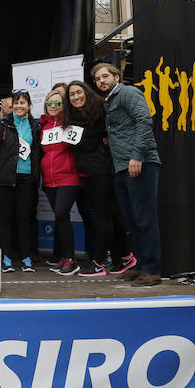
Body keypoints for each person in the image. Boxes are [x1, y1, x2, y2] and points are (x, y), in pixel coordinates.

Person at [92, 62, 162, 287]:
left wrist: (137, 156)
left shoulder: (128, 92)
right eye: (97, 79)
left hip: (139, 163)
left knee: (145, 219)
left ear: (116, 77)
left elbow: (144, 121)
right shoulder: (110, 100)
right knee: (131, 221)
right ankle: (141, 266)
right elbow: (124, 128)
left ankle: (152, 270)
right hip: (121, 166)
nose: (101, 81)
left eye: (105, 76)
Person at [65, 80, 136, 277]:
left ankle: (98, 263)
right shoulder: (72, 117)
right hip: (86, 173)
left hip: (101, 172)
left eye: (79, 92)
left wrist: (94, 138)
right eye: (72, 94)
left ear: (86, 93)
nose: (76, 97)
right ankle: (126, 256)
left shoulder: (100, 111)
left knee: (102, 218)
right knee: (112, 215)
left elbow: (97, 139)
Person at [0, 90, 41, 273]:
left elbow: (37, 153)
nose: (19, 106)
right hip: (4, 180)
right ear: (12, 106)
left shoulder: (35, 125)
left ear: (29, 106)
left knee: (24, 219)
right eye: (16, 103)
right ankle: (7, 257)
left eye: (23, 103)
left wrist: (36, 176)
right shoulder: (1, 124)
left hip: (26, 180)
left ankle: (26, 257)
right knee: (5, 220)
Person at [38, 89, 81, 276]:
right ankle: (64, 257)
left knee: (62, 213)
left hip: (68, 177)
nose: (53, 106)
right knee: (60, 217)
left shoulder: (70, 122)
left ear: (64, 106)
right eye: (50, 103)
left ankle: (72, 260)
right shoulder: (43, 126)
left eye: (57, 103)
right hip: (49, 179)